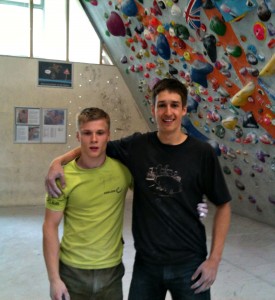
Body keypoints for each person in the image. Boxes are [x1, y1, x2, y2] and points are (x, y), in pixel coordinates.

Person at [45, 78, 231, 300]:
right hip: (147, 266)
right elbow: (95, 145)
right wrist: (58, 161)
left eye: (174, 105)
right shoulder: (136, 146)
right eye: (161, 105)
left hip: (190, 264)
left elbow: (223, 205)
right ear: (153, 109)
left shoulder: (202, 153)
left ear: (183, 110)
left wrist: (214, 259)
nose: (167, 112)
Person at [42, 107, 133, 300]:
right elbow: (50, 226)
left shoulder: (123, 172)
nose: (94, 139)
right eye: (87, 133)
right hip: (72, 271)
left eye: (100, 133)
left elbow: (154, 193)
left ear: (108, 135)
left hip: (111, 272)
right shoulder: (62, 177)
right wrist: (54, 280)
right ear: (78, 136)